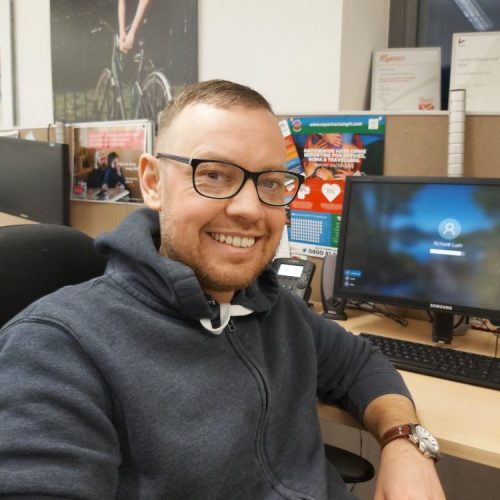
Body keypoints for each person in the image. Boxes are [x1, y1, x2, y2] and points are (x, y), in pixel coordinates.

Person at [0, 80, 446, 499]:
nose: (250, 209)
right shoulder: (57, 348)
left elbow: (361, 365)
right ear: (153, 183)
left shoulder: (272, 307)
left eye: (271, 182)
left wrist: (405, 442)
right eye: (213, 175)